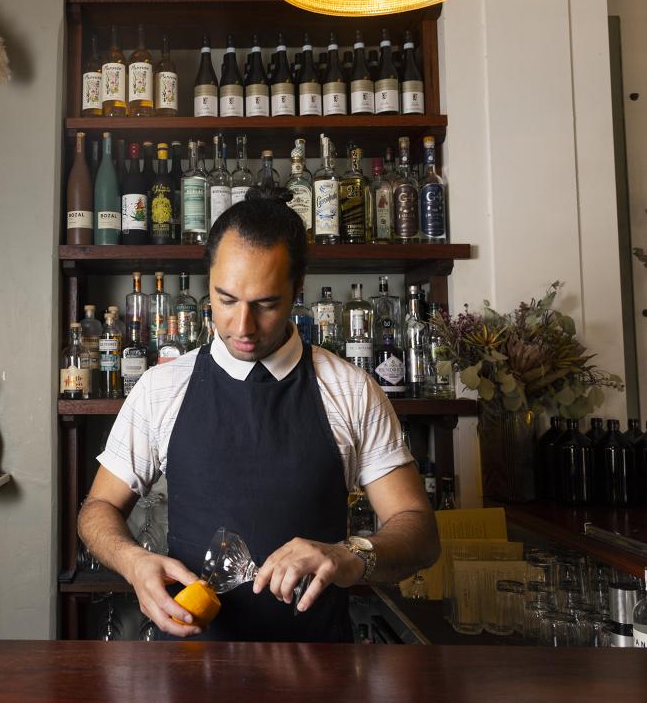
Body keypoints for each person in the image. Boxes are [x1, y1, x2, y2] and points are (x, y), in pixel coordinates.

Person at [77, 185, 440, 641]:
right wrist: (133, 562)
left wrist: (353, 554)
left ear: (297, 290)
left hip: (319, 668)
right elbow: (98, 508)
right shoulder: (161, 387)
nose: (243, 327)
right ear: (208, 281)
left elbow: (420, 530)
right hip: (189, 665)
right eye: (226, 301)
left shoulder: (350, 389)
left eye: (265, 304)